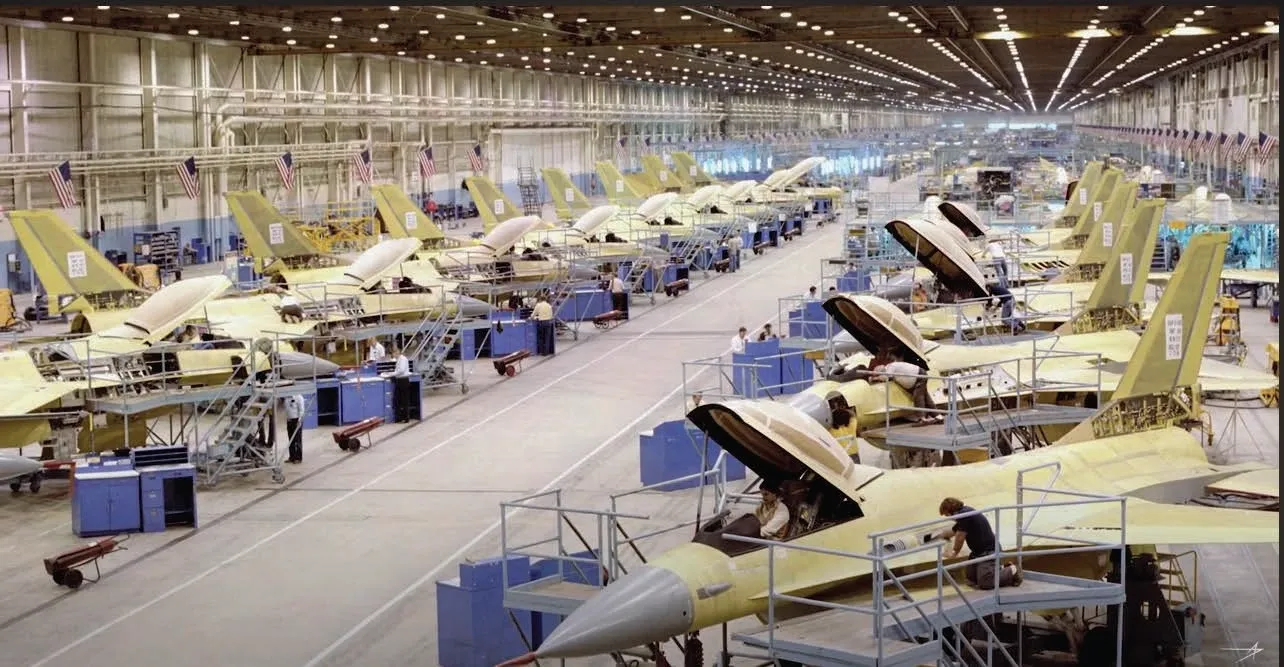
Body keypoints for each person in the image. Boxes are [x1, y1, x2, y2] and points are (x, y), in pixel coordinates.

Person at [934, 497, 1022, 590]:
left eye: (947, 515)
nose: (949, 518)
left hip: (989, 552)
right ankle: (1000, 568)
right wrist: (937, 536)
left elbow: (960, 536)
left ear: (951, 511)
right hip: (978, 553)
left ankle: (1012, 570)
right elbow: (953, 531)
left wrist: (954, 552)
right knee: (971, 580)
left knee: (986, 582)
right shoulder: (965, 513)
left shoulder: (964, 515)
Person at [869, 350, 940, 424]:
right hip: (919, 375)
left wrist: (874, 378)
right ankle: (938, 416)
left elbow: (886, 377)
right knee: (926, 398)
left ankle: (922, 418)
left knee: (918, 397)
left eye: (879, 375)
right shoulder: (891, 366)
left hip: (919, 376)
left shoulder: (891, 367)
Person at [388, 345, 414, 423]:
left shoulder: (402, 359)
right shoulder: (398, 359)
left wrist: (392, 374)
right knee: (398, 400)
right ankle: (399, 417)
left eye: (394, 353)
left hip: (403, 380)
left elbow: (401, 370)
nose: (393, 355)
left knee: (404, 400)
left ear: (397, 352)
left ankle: (406, 417)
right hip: (399, 380)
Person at [284, 393, 305, 464]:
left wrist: (299, 420)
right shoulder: (286, 397)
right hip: (289, 420)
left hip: (296, 420)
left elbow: (301, 409)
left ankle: (298, 458)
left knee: (297, 439)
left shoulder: (299, 397)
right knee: (291, 439)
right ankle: (292, 457)